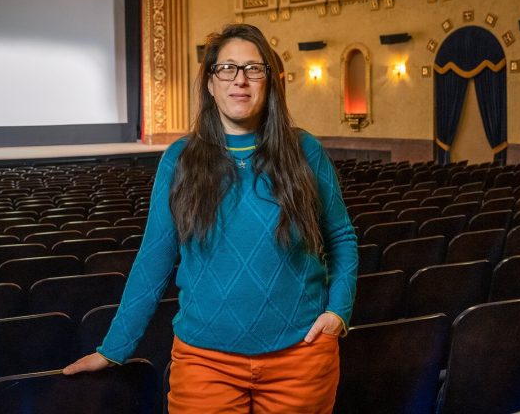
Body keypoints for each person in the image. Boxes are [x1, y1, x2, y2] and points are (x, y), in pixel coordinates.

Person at [64, 23, 358, 413]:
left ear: (270, 80)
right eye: (228, 69)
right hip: (205, 363)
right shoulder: (180, 160)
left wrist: (338, 312)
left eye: (254, 69)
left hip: (300, 358)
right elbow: (153, 260)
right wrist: (114, 347)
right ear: (210, 82)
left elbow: (341, 238)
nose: (240, 80)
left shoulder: (305, 151)